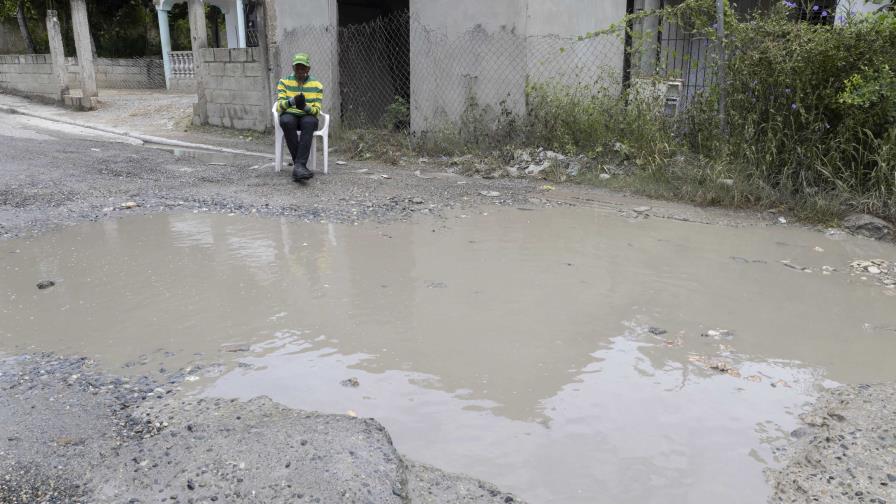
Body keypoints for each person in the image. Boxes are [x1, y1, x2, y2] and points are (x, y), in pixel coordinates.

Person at [276, 53, 324, 182]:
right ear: (293, 68)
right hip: (290, 114)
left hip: (307, 116)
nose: (300, 71)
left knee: (309, 122)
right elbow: (279, 108)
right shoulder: (284, 82)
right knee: (286, 121)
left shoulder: (317, 85)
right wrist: (291, 101)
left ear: (308, 69)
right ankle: (300, 166)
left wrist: (305, 107)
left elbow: (317, 111)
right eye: (297, 68)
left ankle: (298, 166)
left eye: (303, 68)